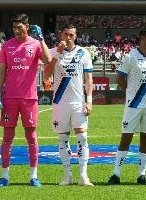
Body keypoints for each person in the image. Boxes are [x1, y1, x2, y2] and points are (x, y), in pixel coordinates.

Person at [0, 13, 52, 187]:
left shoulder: (35, 44)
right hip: (10, 98)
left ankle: (34, 176)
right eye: (14, 27)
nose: (17, 30)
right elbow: (2, 71)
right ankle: (5, 176)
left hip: (29, 98)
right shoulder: (7, 46)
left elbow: (48, 60)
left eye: (20, 27)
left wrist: (41, 38)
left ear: (27, 27)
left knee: (31, 137)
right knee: (7, 137)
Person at [107, 26, 146, 185]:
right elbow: (119, 78)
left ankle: (142, 175)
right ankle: (116, 175)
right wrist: (129, 92)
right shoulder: (130, 56)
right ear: (143, 38)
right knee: (126, 137)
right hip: (133, 104)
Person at [44, 25, 94, 186]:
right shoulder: (53, 52)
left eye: (71, 34)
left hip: (78, 102)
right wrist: (58, 52)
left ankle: (83, 176)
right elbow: (47, 73)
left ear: (76, 36)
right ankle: (67, 175)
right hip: (60, 102)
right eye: (66, 34)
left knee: (83, 137)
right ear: (61, 35)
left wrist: (89, 100)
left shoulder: (83, 53)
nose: (68, 37)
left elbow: (89, 79)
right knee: (63, 139)